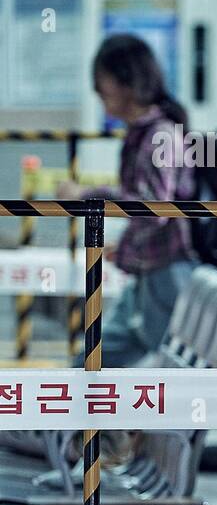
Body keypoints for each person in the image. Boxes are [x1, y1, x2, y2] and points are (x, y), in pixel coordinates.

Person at [57, 34, 199, 368]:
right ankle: (61, 416)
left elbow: (154, 209)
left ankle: (65, 414)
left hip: (168, 274)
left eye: (101, 82)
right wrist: (128, 250)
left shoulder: (158, 134)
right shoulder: (146, 132)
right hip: (155, 271)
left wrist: (86, 196)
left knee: (172, 379)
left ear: (126, 81)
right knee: (96, 362)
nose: (97, 91)